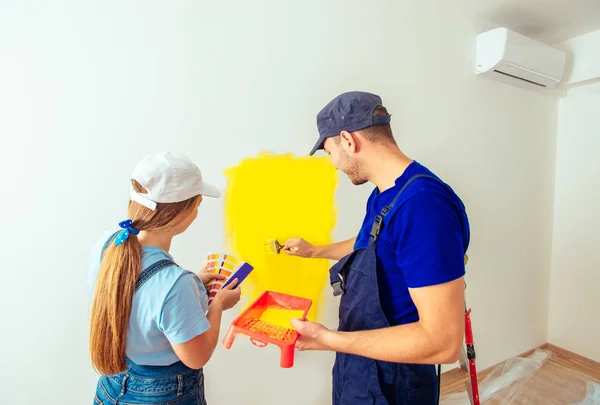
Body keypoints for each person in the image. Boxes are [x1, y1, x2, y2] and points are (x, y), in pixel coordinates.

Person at [283, 91, 470, 405]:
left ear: (348, 140)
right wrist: (315, 251)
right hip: (360, 360)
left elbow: (443, 343)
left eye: (330, 152)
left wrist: (326, 340)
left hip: (397, 380)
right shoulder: (385, 193)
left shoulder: (423, 206)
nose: (333, 165)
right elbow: (372, 247)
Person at [87, 152, 241, 405]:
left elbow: (137, 299)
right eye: (198, 204)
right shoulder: (174, 284)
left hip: (111, 386)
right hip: (163, 394)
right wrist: (218, 305)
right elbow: (197, 356)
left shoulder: (108, 245)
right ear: (181, 215)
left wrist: (193, 284)